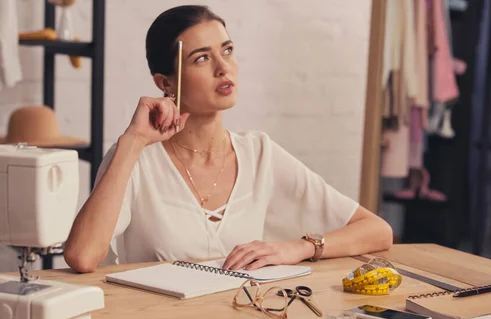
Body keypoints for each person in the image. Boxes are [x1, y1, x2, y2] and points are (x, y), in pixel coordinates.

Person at [63, 5, 393, 273]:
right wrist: (133, 139)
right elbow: (82, 256)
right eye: (202, 58)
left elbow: (378, 231)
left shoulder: (259, 154)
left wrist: (297, 248)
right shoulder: (135, 158)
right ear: (165, 82)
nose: (224, 68)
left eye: (228, 50)